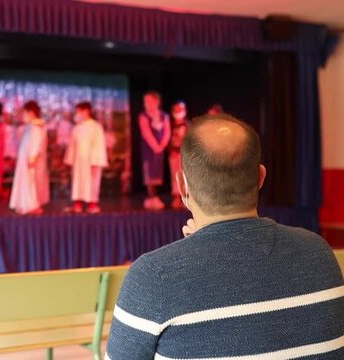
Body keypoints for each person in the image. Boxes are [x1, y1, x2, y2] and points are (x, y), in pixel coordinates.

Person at [106, 114, 344, 360]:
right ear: (261, 177)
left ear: (182, 186)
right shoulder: (319, 254)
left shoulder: (154, 276)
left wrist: (196, 252)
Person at [64, 101, 108, 214]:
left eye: (78, 112)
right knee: (78, 181)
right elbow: (72, 145)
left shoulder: (95, 127)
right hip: (79, 161)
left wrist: (96, 161)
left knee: (92, 182)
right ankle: (77, 203)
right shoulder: (77, 128)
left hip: (91, 161)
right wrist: (70, 160)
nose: (77, 114)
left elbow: (99, 145)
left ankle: (92, 204)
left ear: (86, 111)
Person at [9, 101, 49, 215]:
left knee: (31, 182)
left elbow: (35, 144)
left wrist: (32, 157)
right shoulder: (31, 126)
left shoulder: (36, 127)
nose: (22, 116)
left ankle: (32, 205)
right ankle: (25, 204)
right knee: (27, 181)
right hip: (26, 158)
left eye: (24, 113)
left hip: (30, 159)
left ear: (31, 112)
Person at [139, 91, 171, 210]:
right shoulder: (143, 116)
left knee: (158, 172)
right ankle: (152, 196)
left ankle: (156, 196)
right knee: (149, 172)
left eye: (149, 101)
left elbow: (167, 132)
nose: (146, 104)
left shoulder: (164, 116)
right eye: (145, 101)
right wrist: (155, 146)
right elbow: (146, 132)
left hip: (159, 149)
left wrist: (162, 146)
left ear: (157, 102)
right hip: (149, 149)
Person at [169, 101, 189, 209]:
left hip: (184, 155)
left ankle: (185, 198)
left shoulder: (187, 125)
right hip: (174, 154)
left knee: (185, 175)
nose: (178, 112)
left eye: (180, 109)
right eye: (176, 110)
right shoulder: (170, 125)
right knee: (175, 176)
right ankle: (176, 197)